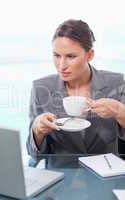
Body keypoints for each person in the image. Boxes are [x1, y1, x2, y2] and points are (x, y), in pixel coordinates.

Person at [26, 19, 125, 166]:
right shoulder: (41, 88)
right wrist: (37, 130)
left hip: (106, 177)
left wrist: (119, 111)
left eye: (71, 56)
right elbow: (34, 155)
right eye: (57, 55)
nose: (62, 65)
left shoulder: (116, 83)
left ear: (90, 55)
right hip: (61, 178)